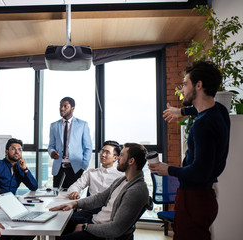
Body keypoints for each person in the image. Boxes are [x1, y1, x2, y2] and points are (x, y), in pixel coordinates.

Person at [149, 61, 230, 240]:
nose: (182, 89)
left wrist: (167, 169)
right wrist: (181, 111)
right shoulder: (220, 112)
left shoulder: (202, 125)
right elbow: (200, 109)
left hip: (193, 199)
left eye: (185, 84)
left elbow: (199, 172)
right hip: (206, 197)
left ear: (198, 85)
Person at [50, 143, 149, 240]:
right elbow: (100, 198)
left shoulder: (136, 191)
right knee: (61, 223)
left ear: (131, 161)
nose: (118, 158)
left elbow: (115, 229)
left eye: (122, 155)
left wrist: (85, 227)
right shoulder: (122, 181)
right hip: (96, 220)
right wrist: (74, 203)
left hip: (103, 231)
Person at [48, 97, 92, 188]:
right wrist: (52, 152)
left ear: (72, 108)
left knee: (73, 197)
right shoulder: (54, 126)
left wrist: (83, 166)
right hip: (58, 168)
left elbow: (88, 147)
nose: (62, 108)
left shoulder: (82, 125)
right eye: (60, 106)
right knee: (57, 197)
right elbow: (51, 146)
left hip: (76, 168)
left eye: (65, 106)